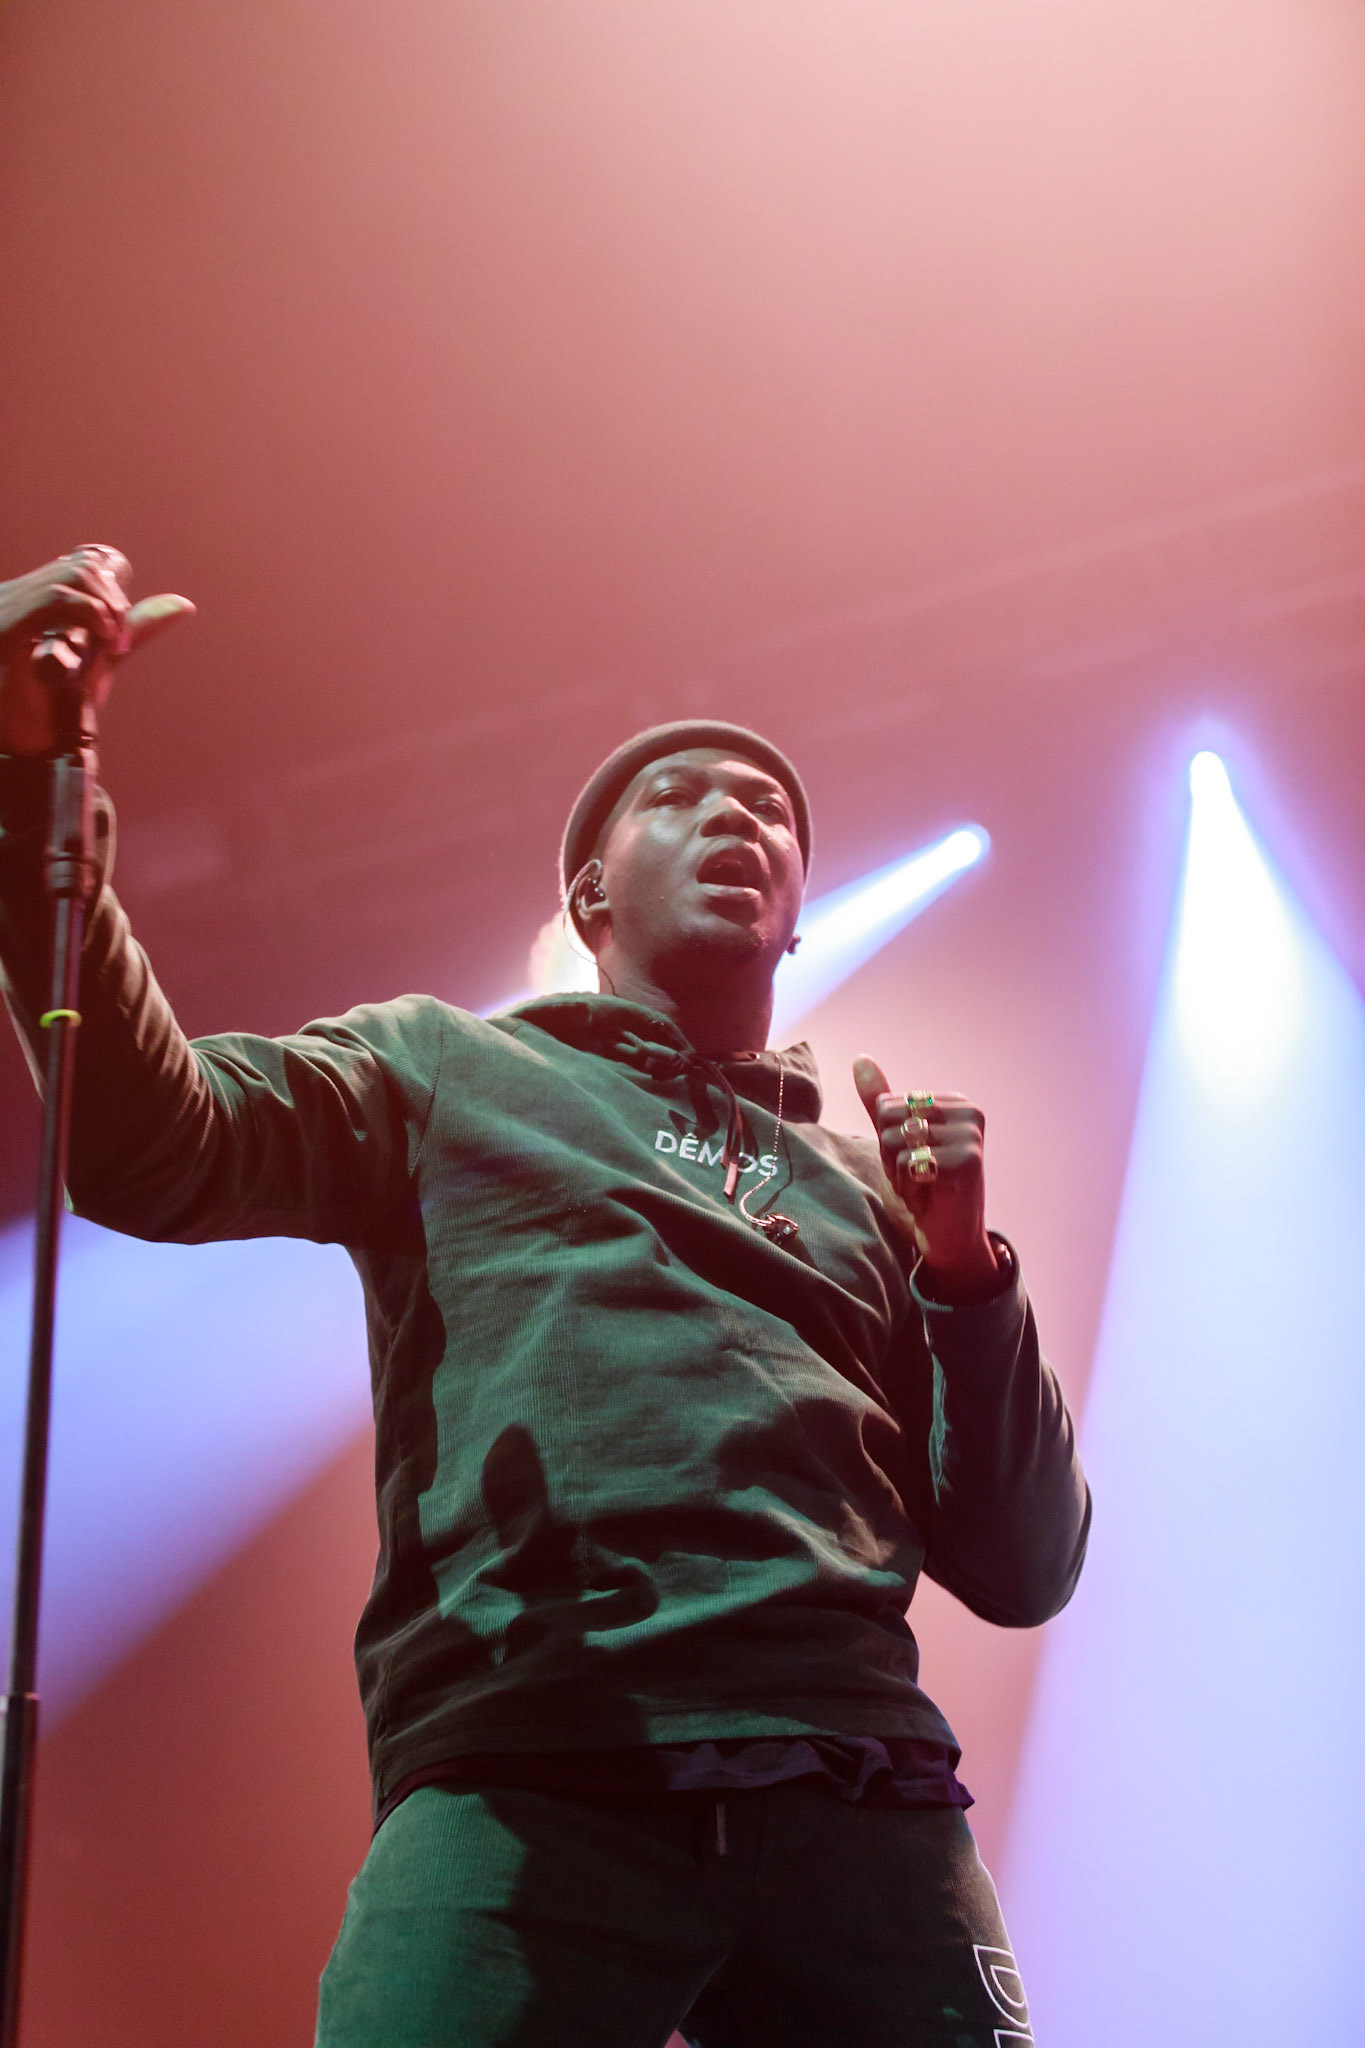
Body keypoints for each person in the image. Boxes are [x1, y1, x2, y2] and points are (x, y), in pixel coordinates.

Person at [0, 547, 1089, 2048]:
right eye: (682, 798)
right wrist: (30, 792)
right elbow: (157, 1149)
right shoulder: (447, 1067)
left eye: (768, 810)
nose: (735, 817)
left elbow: (1024, 1571)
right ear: (589, 891)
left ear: (795, 920)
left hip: (861, 1798)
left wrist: (965, 1272)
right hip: (535, 1771)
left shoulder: (866, 1189)